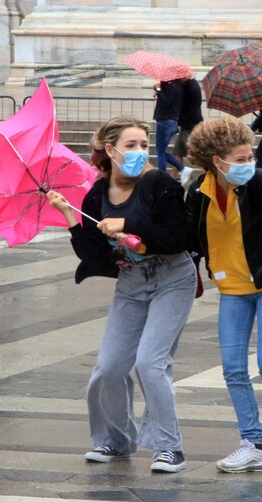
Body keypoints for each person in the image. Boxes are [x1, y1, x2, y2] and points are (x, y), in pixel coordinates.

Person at [46, 117, 197, 473]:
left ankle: (169, 447)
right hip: (130, 284)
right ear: (111, 151)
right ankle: (116, 440)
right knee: (109, 368)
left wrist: (129, 225)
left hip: (172, 278)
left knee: (150, 363)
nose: (140, 152)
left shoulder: (160, 183)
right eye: (131, 146)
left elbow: (178, 238)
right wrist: (70, 217)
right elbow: (96, 257)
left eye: (144, 145)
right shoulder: (97, 196)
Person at [184, 117, 262, 473]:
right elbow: (190, 239)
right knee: (234, 369)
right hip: (232, 289)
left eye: (250, 156)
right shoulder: (197, 193)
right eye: (240, 158)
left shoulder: (258, 182)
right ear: (216, 161)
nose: (249, 163)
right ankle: (252, 443)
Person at [153, 79, 191, 180]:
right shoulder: (176, 87)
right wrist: (158, 90)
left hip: (165, 122)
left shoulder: (172, 87)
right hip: (172, 122)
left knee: (160, 152)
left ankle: (162, 177)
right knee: (161, 151)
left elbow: (165, 102)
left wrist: (158, 89)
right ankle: (182, 168)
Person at [174, 73, 202, 188]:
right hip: (185, 126)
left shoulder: (191, 87)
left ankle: (209, 174)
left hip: (191, 126)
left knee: (195, 154)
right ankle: (172, 179)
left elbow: (184, 100)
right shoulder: (187, 86)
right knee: (177, 153)